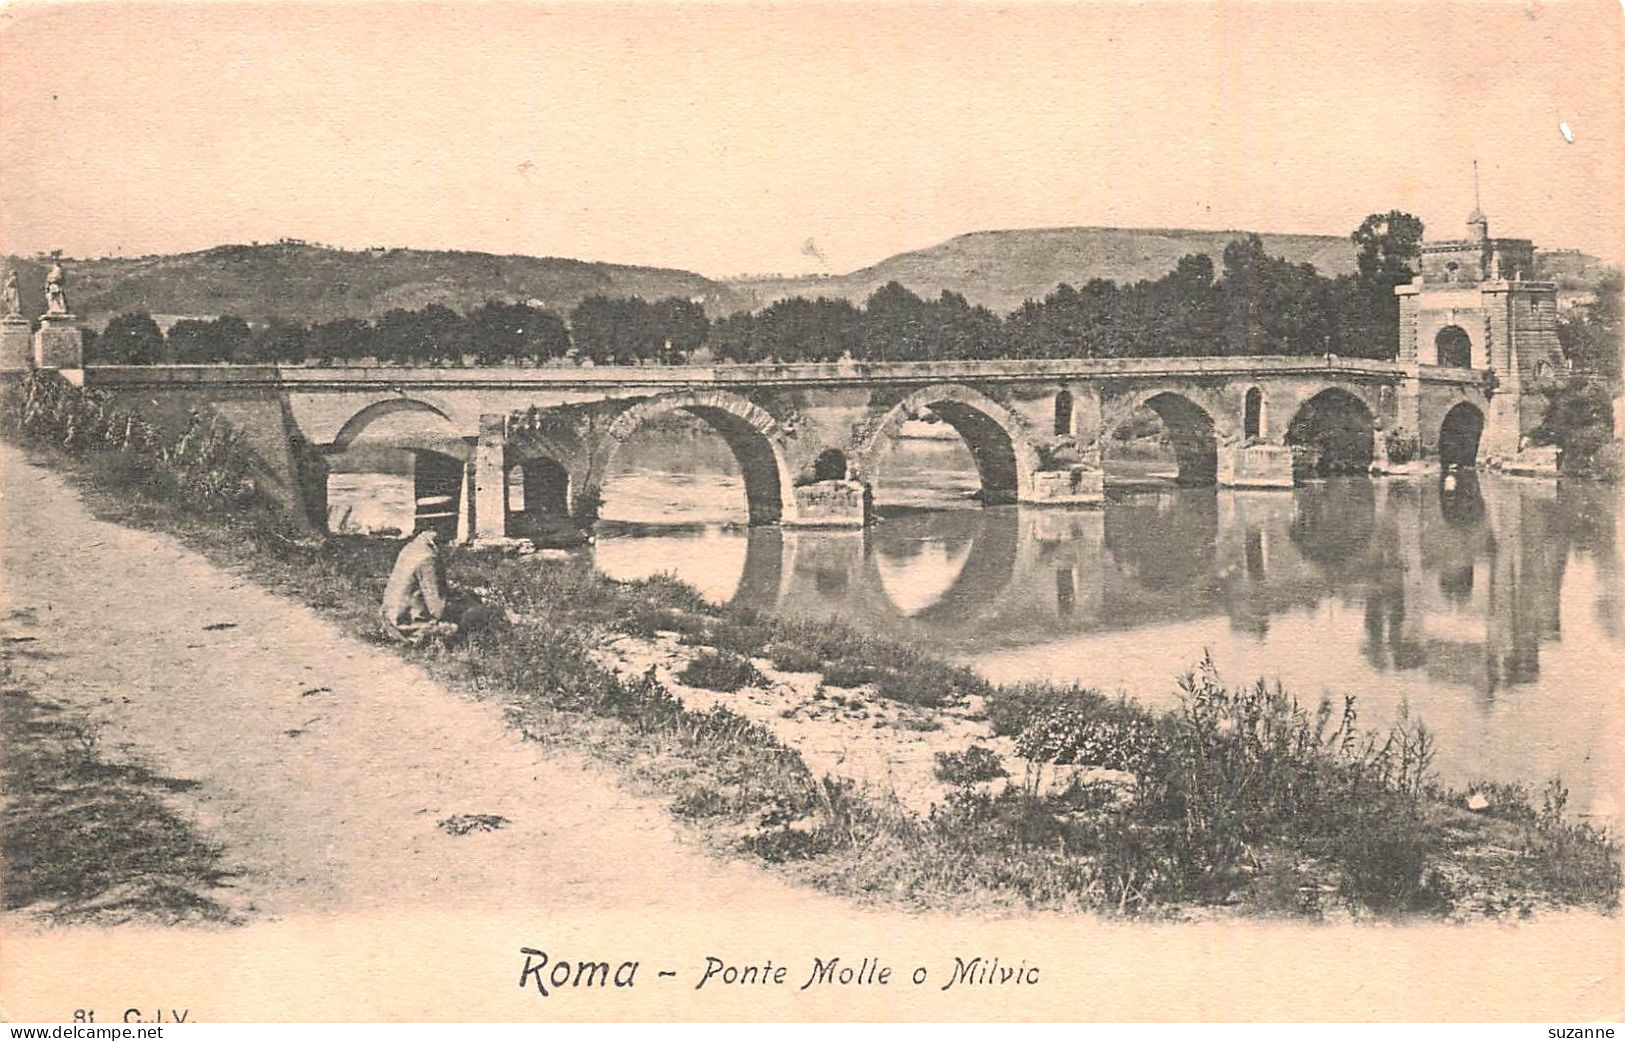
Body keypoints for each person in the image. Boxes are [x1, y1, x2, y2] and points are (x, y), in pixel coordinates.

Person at [379, 529, 490, 644]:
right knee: (477, 611)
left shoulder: (412, 547)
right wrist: (467, 599)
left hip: (390, 619)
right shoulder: (429, 558)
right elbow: (438, 609)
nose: (451, 542)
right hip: (407, 627)